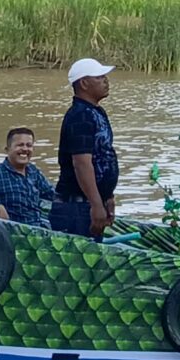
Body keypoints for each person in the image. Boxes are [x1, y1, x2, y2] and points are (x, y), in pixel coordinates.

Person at [50, 58, 120, 238]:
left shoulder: (96, 112)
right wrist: (96, 205)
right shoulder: (80, 116)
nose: (106, 80)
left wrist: (108, 197)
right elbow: (82, 164)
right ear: (84, 83)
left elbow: (104, 155)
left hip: (89, 204)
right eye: (99, 77)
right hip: (75, 209)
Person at [0, 126, 57, 226]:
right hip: (13, 231)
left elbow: (52, 194)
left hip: (38, 227)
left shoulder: (33, 172)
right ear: (7, 149)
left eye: (29, 145)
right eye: (20, 145)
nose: (25, 149)